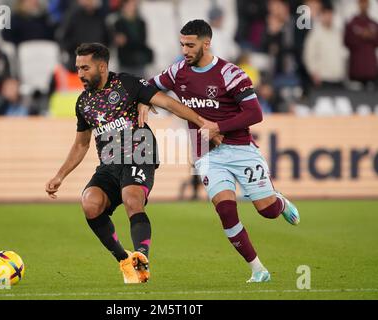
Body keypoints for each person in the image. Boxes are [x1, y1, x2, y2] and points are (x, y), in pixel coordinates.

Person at [143, 20, 300, 283]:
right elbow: (149, 86)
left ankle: (279, 201)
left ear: (207, 43)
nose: (185, 50)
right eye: (182, 44)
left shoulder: (231, 74)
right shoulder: (177, 71)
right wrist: (142, 102)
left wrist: (218, 126)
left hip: (241, 150)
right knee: (226, 210)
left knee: (267, 211)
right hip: (207, 155)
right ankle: (258, 269)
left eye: (190, 45)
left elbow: (255, 113)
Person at [44, 43, 214, 284]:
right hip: (109, 163)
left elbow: (168, 103)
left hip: (140, 153)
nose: (79, 74)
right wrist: (60, 175)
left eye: (85, 68)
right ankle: (125, 260)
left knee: (131, 198)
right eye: (77, 68)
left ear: (102, 67)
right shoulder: (83, 103)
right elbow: (81, 144)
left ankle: (141, 258)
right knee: (90, 204)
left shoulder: (127, 84)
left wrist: (201, 121)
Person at [344, 0, 378, 89]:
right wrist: (361, 36)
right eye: (362, 3)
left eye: (366, 3)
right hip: (356, 69)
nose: (364, 5)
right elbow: (347, 41)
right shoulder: (352, 23)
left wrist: (370, 36)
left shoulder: (373, 23)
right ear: (358, 4)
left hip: (371, 69)